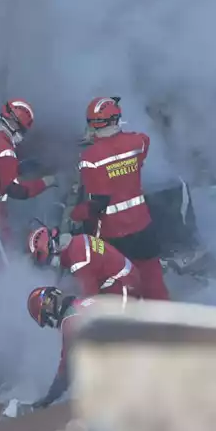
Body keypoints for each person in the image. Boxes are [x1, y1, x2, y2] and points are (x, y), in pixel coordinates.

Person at [70, 97, 171, 300]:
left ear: (91, 124)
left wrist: (77, 213)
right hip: (143, 228)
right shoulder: (137, 142)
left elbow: (98, 203)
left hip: (113, 235)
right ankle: (167, 323)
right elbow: (142, 146)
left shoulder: (90, 158)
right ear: (117, 119)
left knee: (119, 286)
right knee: (153, 282)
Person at [0, 99, 58, 267]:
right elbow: (15, 190)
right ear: (16, 125)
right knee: (2, 264)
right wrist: (45, 182)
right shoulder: (4, 149)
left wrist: (18, 168)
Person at [26, 226, 141, 299]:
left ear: (53, 248)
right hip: (125, 279)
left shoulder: (79, 261)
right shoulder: (77, 241)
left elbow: (90, 299)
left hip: (125, 287)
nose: (52, 265)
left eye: (49, 261)